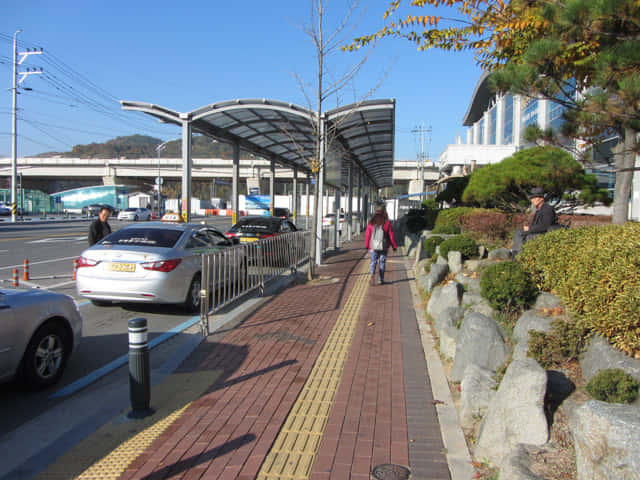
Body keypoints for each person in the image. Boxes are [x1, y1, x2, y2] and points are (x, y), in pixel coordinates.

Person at [512, 187, 558, 255]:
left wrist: (530, 229)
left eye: (534, 198)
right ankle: (517, 254)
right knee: (519, 232)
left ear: (541, 199)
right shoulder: (538, 210)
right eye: (531, 198)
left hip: (545, 233)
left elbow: (545, 225)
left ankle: (517, 256)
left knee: (521, 234)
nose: (532, 200)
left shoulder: (548, 209)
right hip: (537, 232)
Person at [365, 204, 397, 285]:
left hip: (373, 247)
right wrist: (394, 246)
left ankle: (372, 277)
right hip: (384, 247)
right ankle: (381, 279)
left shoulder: (371, 223)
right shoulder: (386, 223)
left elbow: (367, 235)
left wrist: (366, 246)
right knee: (382, 262)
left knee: (373, 262)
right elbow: (391, 236)